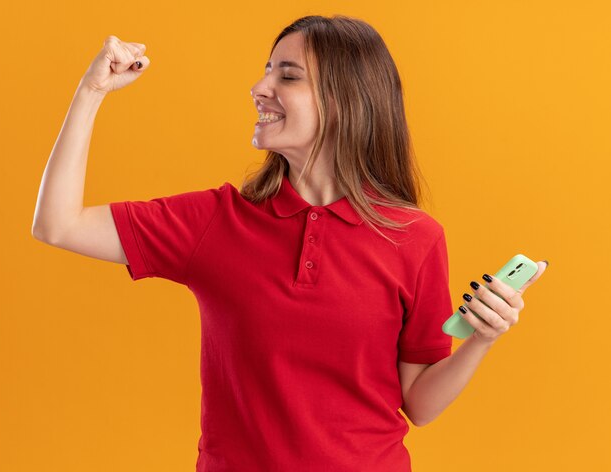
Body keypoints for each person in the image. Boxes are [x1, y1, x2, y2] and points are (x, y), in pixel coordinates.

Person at [32, 14, 548, 472]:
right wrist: (90, 92)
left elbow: (420, 403)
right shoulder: (215, 220)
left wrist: (482, 338)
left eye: (288, 75)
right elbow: (58, 224)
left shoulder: (414, 237)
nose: (259, 87)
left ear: (347, 100)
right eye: (266, 70)